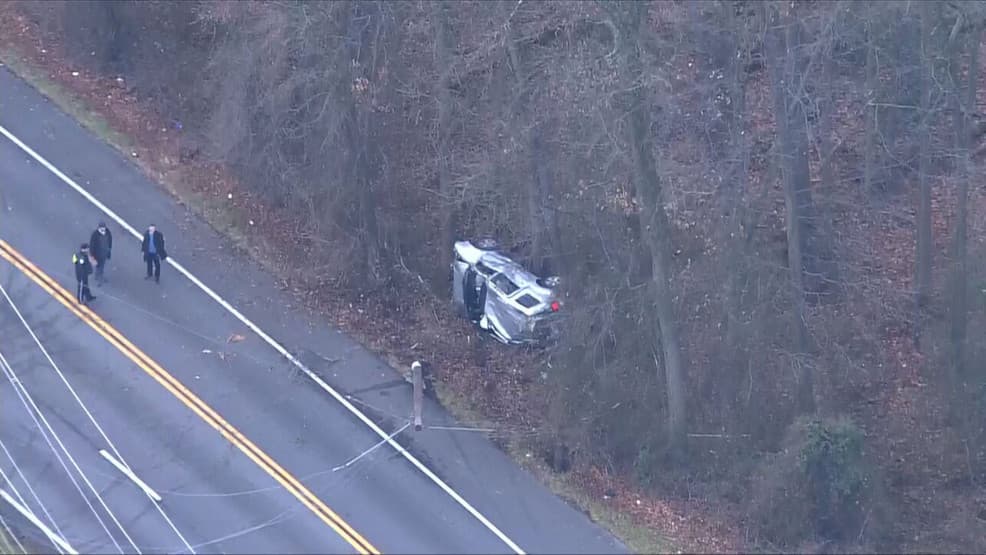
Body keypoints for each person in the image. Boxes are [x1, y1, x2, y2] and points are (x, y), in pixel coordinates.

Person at [89, 221, 113, 285]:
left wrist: (109, 251)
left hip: (104, 253)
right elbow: (92, 245)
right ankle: (99, 278)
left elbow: (110, 242)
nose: (103, 229)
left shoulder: (107, 232)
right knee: (99, 266)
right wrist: (92, 255)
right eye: (101, 227)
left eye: (104, 227)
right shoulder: (95, 235)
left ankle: (97, 276)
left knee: (101, 265)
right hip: (98, 254)